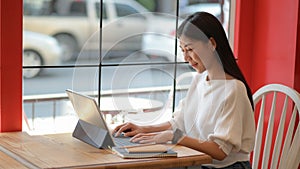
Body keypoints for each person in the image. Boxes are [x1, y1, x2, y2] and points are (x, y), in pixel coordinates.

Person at [113, 12, 256, 169]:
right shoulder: (199, 79)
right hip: (200, 163)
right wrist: (144, 129)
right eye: (182, 50)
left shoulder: (233, 89)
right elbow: (179, 122)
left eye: (189, 49)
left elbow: (220, 151)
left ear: (211, 44)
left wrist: (176, 138)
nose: (185, 58)